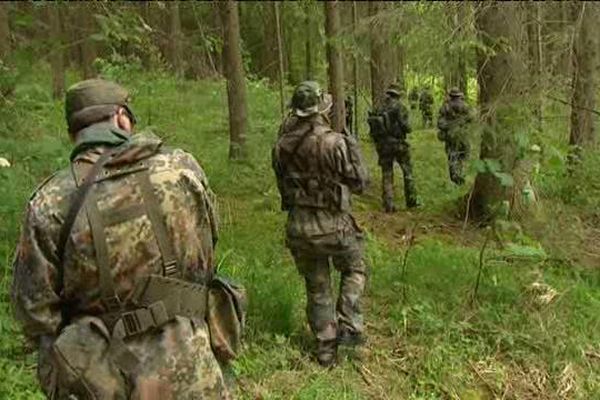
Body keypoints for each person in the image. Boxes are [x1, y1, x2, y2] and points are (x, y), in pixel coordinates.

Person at [11, 79, 232, 399]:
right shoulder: (181, 169)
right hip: (193, 371)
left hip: (101, 380)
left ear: (75, 134)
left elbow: (35, 313)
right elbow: (210, 239)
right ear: (121, 118)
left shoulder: (49, 202)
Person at [272, 81, 369, 367]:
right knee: (355, 268)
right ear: (321, 109)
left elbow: (284, 189)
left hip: (300, 228)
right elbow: (360, 182)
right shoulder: (335, 142)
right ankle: (350, 327)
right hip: (335, 226)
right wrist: (352, 147)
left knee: (317, 285)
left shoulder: (281, 146)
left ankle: (325, 348)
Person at [367, 83, 420, 212]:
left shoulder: (379, 107)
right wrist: (408, 128)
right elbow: (406, 127)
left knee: (387, 173)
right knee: (407, 171)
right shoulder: (400, 107)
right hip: (398, 144)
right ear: (398, 94)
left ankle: (388, 203)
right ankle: (412, 201)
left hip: (383, 145)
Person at [437, 87, 473, 185]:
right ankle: (460, 174)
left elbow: (440, 124)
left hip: (450, 136)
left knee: (452, 155)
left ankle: (455, 177)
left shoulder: (445, 107)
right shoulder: (465, 106)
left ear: (451, 96)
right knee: (464, 154)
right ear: (459, 95)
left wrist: (449, 126)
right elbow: (472, 118)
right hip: (463, 135)